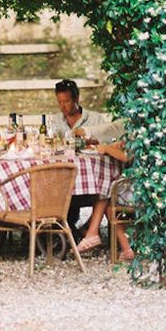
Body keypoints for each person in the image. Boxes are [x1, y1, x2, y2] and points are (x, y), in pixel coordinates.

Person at [51, 80, 134, 261]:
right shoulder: (56, 120)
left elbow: (127, 155)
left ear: (76, 99)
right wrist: (110, 146)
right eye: (60, 102)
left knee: (106, 188)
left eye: (66, 101)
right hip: (99, 179)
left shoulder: (134, 127)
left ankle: (92, 232)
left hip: (131, 185)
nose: (63, 106)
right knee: (107, 187)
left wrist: (105, 147)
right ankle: (105, 238)